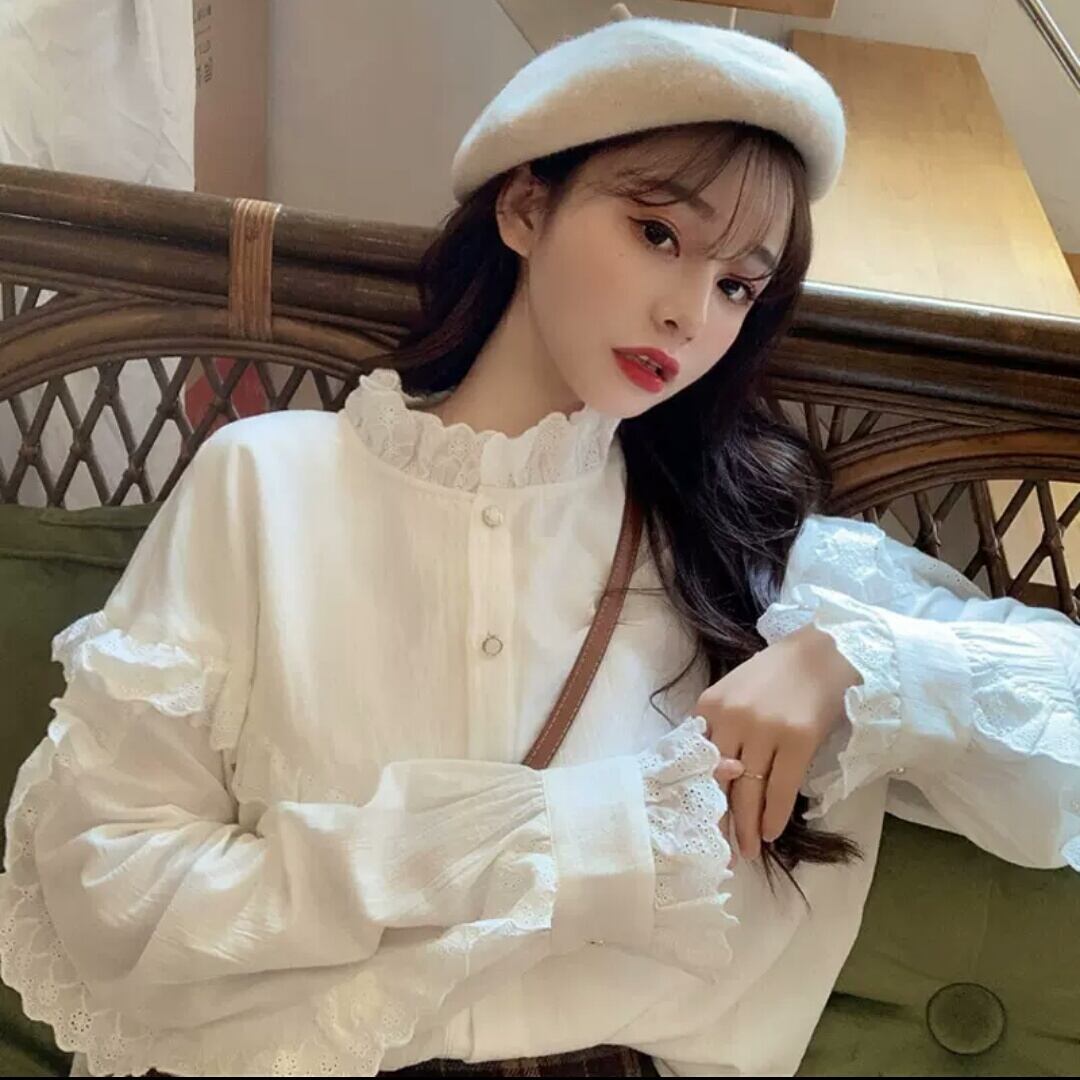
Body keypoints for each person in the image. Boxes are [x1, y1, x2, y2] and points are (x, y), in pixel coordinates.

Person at [2, 7, 1078, 1078]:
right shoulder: (267, 484)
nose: (689, 314)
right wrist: (557, 837)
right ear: (526, 206)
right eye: (657, 234)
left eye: (736, 285)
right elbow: (113, 882)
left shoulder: (745, 554)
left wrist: (850, 662)